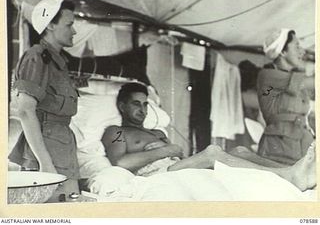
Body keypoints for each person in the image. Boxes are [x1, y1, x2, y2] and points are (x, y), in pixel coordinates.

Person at [102, 83, 316, 191]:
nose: (143, 109)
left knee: (240, 151)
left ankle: (290, 171)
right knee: (213, 152)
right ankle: (289, 178)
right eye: (135, 104)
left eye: (145, 104)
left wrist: (173, 152)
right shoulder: (116, 131)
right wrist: (166, 150)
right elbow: (120, 162)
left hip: (175, 168)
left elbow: (178, 159)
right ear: (122, 106)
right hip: (156, 176)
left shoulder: (156, 132)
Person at [9, 0, 80, 197]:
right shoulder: (36, 57)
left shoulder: (58, 62)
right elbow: (24, 110)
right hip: (47, 152)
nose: (74, 31)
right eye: (69, 24)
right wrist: (45, 163)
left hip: (62, 147)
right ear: (50, 25)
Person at [257, 29, 315, 165]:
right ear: (282, 52)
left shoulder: (295, 78)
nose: (302, 51)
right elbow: (312, 82)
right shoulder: (268, 75)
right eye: (297, 46)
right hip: (279, 147)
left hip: (301, 143)